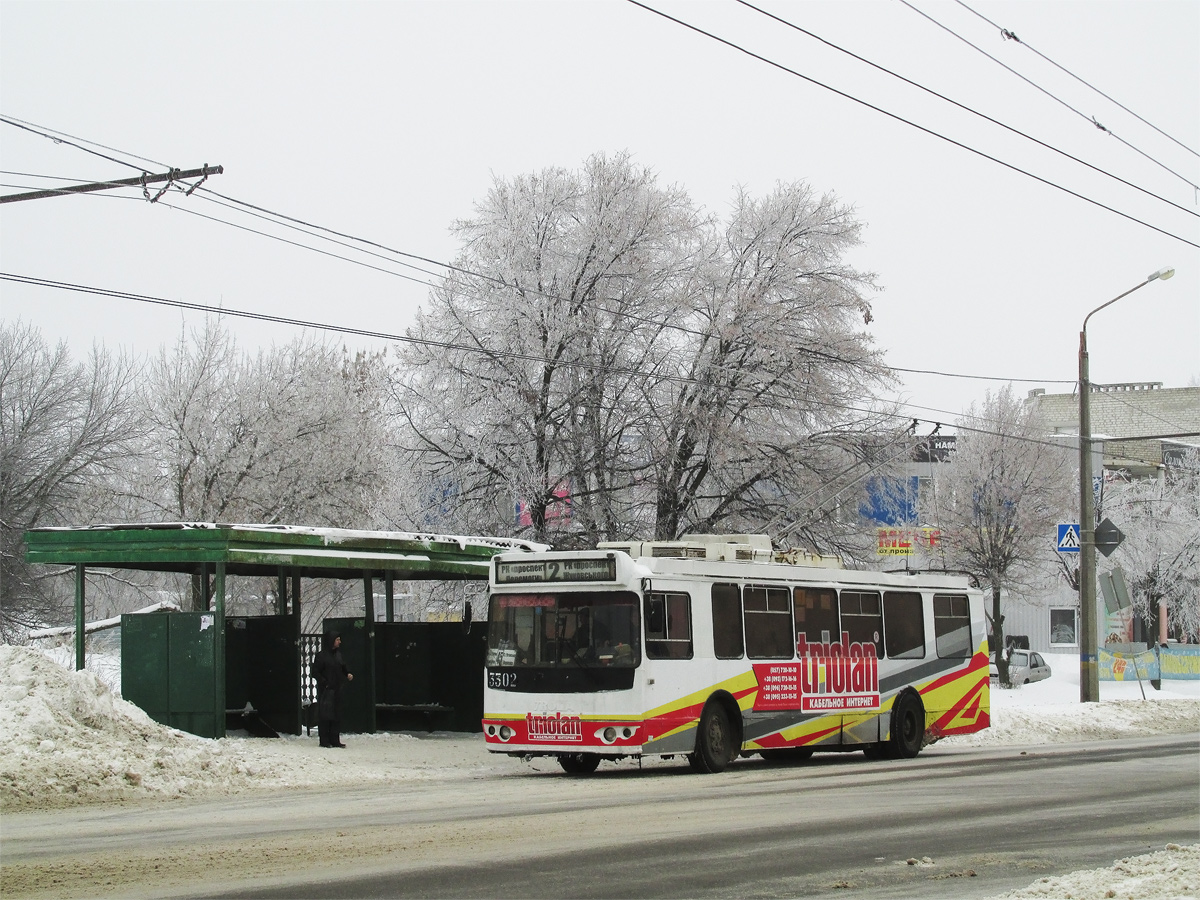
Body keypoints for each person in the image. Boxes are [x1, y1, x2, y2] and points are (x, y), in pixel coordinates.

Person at [311, 631, 353, 748]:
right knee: (325, 715)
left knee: (336, 715)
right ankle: (324, 740)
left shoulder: (338, 655)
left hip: (337, 688)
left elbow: (343, 666)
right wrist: (324, 683)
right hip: (326, 690)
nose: (340, 642)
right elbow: (315, 672)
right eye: (337, 639)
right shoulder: (321, 656)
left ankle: (335, 739)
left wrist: (347, 673)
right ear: (331, 641)